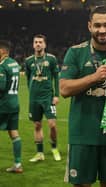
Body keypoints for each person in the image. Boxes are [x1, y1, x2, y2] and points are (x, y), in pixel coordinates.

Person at [60, 5, 106, 187]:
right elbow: (65, 89)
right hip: (82, 136)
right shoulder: (75, 52)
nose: (102, 30)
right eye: (97, 25)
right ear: (89, 26)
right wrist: (94, 77)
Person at [25, 34, 61, 162]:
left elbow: (56, 77)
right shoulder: (28, 61)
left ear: (45, 44)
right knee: (37, 125)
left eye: (40, 42)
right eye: (36, 42)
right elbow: (28, 78)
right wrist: (31, 93)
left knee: (52, 124)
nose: (38, 44)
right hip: (34, 99)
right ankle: (40, 153)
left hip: (48, 97)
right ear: (33, 44)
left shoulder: (51, 59)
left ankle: (54, 148)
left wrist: (56, 95)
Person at [0, 40, 23, 173]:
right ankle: (18, 164)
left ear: (2, 51)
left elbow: (1, 87)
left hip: (3, 104)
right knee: (14, 132)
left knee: (13, 132)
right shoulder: (14, 63)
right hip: (14, 103)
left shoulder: (2, 65)